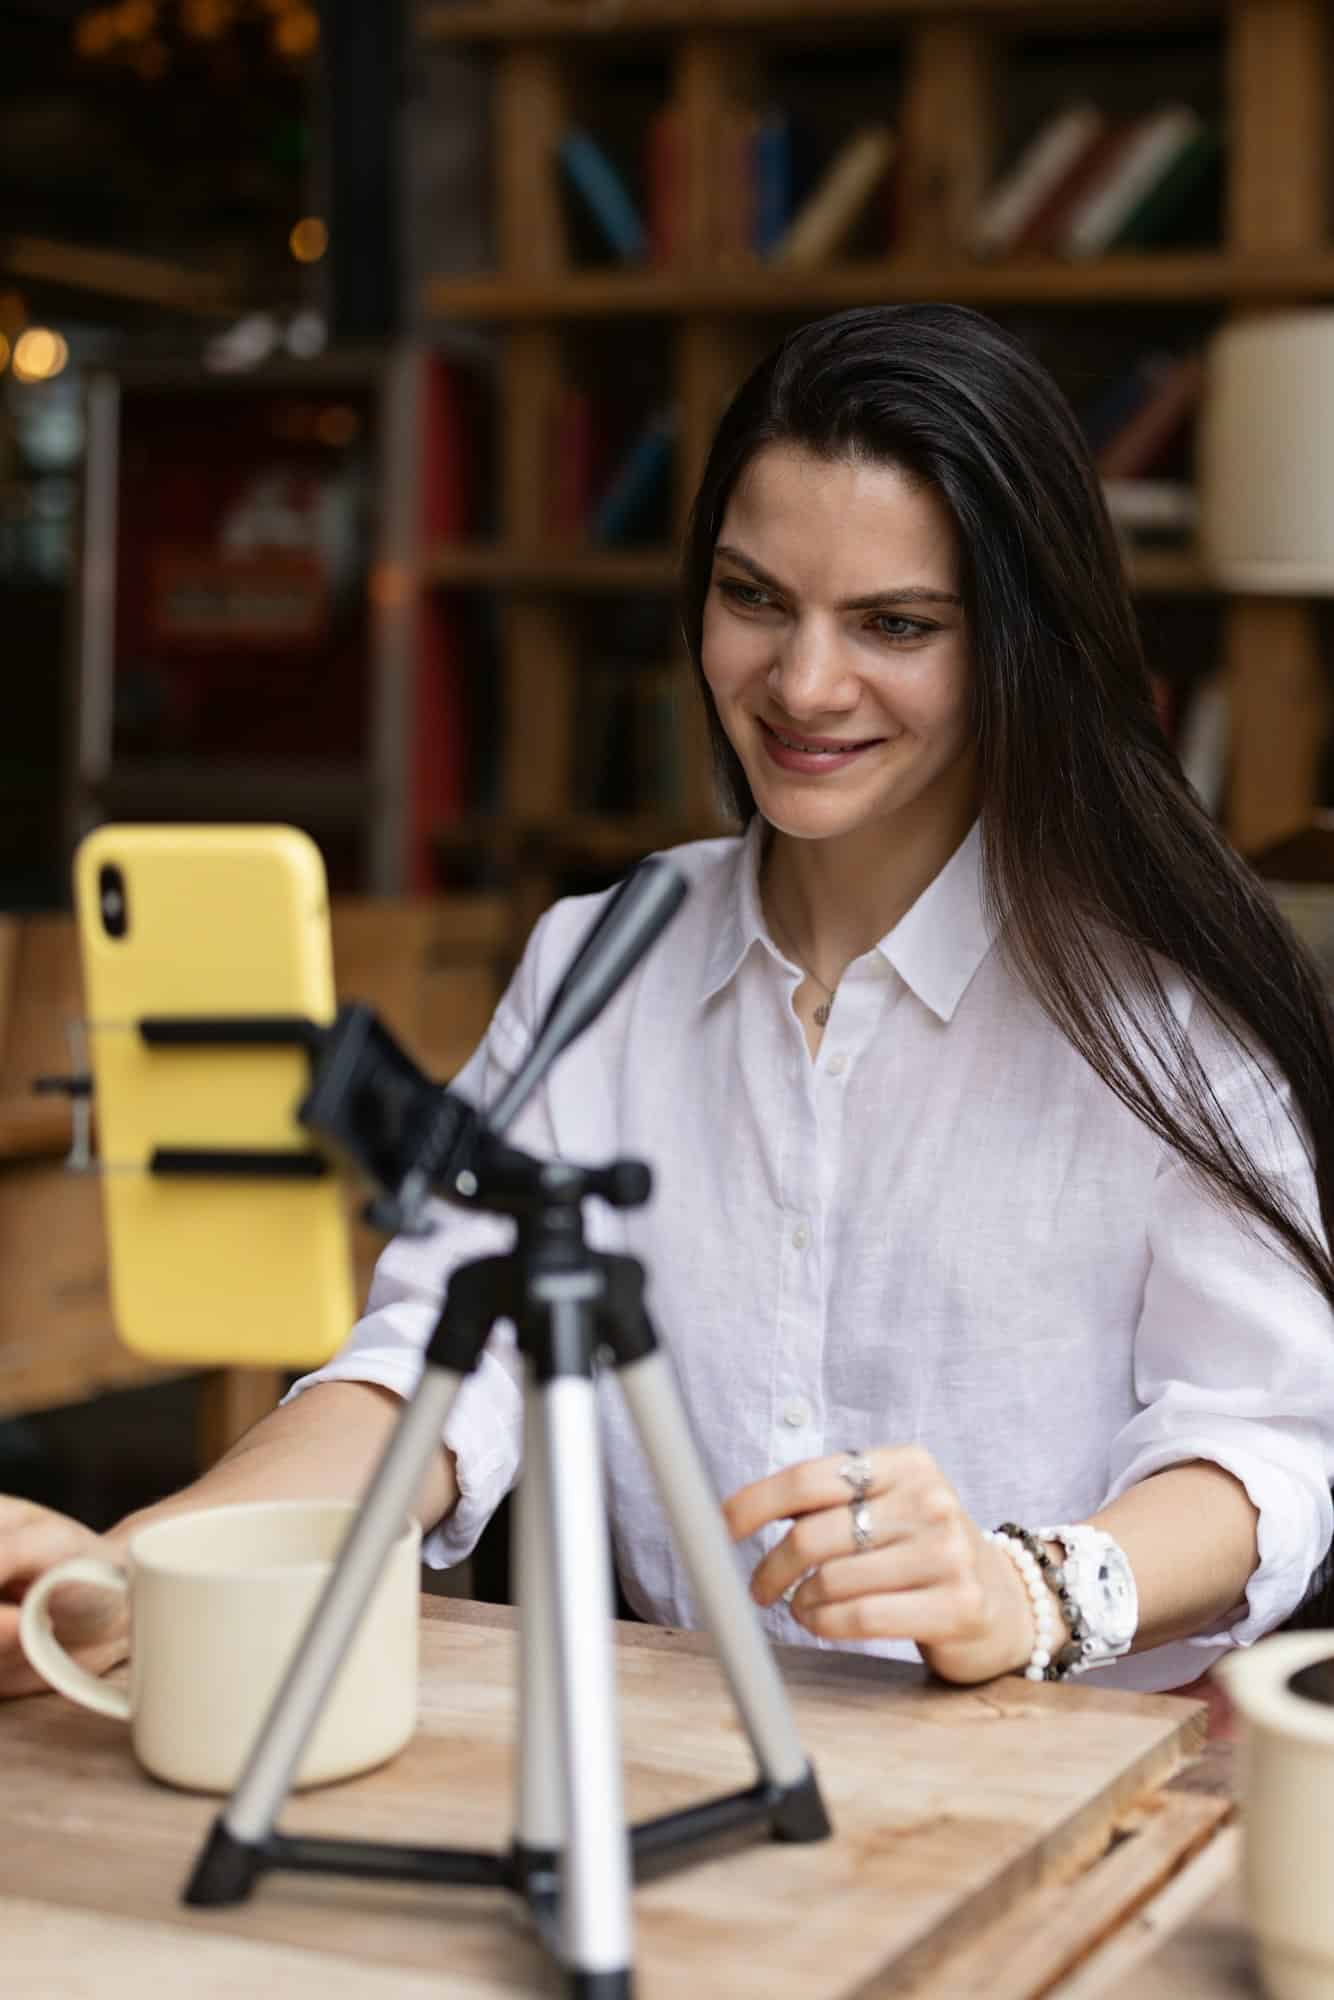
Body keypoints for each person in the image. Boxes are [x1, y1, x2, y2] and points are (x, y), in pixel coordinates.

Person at [4, 301, 1334, 1699]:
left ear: (1017, 646)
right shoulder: (600, 963)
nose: (802, 685)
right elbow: (435, 1365)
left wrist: (1030, 1589)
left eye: (893, 624)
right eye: (754, 599)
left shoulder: (1164, 1011)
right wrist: (135, 1568)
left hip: (1058, 1769)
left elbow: (1269, 1445)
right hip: (690, 1757)